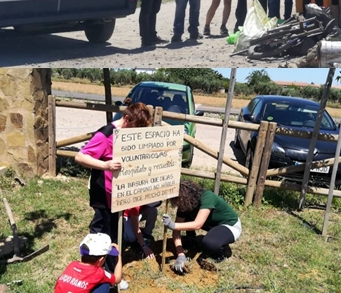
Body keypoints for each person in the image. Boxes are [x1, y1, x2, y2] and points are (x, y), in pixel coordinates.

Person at [74, 99, 152, 290]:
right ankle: (96, 274)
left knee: (114, 235)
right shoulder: (106, 134)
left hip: (119, 194)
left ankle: (108, 273)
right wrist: (105, 165)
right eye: (133, 128)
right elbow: (80, 156)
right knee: (103, 234)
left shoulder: (126, 135)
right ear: (126, 119)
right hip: (104, 194)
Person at [164, 179, 242, 272]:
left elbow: (197, 224)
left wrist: (172, 225)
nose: (178, 205)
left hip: (230, 226)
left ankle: (221, 249)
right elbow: (177, 230)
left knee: (209, 243)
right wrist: (180, 254)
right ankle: (192, 240)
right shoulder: (184, 205)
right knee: (186, 219)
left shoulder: (207, 197)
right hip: (211, 225)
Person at [54, 233, 123, 293]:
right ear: (101, 259)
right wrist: (119, 256)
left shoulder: (72, 265)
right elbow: (117, 278)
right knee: (105, 286)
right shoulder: (99, 273)